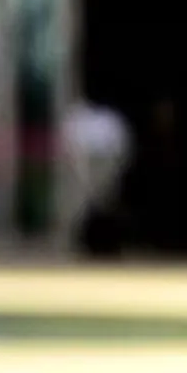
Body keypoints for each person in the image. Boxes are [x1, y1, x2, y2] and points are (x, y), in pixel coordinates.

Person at [58, 98, 133, 257]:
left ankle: (109, 244)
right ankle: (81, 244)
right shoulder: (77, 117)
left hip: (105, 164)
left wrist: (112, 171)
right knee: (82, 207)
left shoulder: (110, 118)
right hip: (83, 164)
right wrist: (81, 171)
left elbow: (121, 151)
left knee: (106, 204)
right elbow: (70, 148)